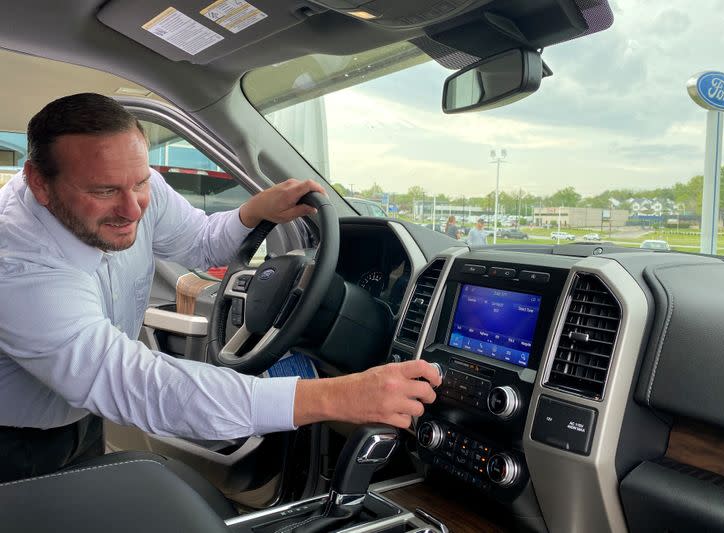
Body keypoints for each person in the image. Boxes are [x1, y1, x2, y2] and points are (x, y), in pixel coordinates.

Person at [0, 93, 441, 483]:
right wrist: (338, 395)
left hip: (82, 416)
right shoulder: (16, 263)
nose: (132, 208)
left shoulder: (133, 187)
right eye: (104, 191)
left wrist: (254, 211)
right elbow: (132, 383)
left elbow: (198, 240)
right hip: (14, 442)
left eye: (140, 183)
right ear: (39, 182)